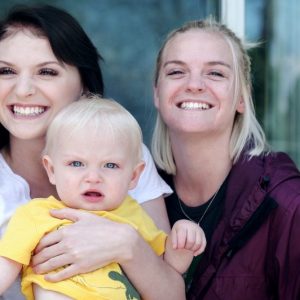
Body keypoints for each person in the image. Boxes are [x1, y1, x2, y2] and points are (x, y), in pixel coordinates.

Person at [0, 4, 184, 300]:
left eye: (47, 71)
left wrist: (127, 244)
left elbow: (172, 295)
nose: (22, 90)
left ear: (84, 85)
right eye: (6, 71)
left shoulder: (122, 155)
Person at [151, 17, 300, 300]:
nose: (194, 85)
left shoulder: (288, 204)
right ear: (157, 93)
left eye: (215, 74)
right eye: (176, 72)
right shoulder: (134, 194)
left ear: (241, 98)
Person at [0, 97, 206, 299]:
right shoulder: (37, 215)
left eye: (110, 165)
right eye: (76, 164)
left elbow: (166, 270)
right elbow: (5, 266)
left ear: (134, 176)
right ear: (51, 169)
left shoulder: (133, 215)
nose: (93, 178)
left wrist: (182, 243)